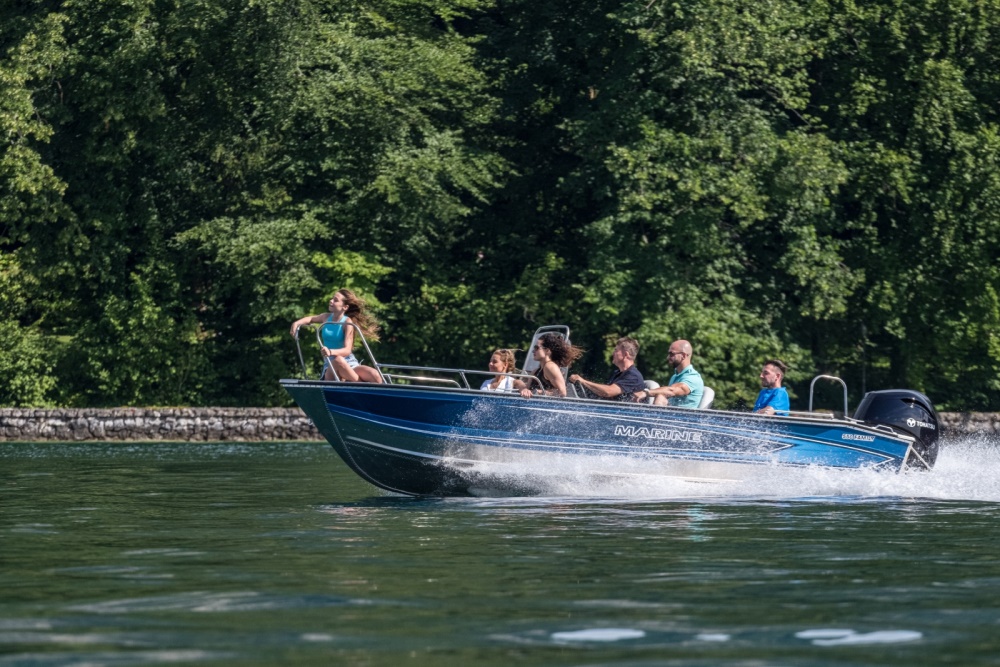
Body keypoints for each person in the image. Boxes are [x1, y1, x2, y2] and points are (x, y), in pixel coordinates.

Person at [289, 289, 383, 383]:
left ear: (345, 307)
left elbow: (347, 350)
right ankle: (361, 384)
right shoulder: (326, 317)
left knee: (375, 375)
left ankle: (363, 386)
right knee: (339, 360)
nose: (331, 301)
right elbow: (311, 319)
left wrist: (330, 351)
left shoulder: (347, 322)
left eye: (335, 300)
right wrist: (296, 323)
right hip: (331, 365)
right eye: (332, 298)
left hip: (350, 363)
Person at [569, 337, 645, 401]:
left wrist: (583, 381)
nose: (613, 353)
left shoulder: (633, 376)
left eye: (616, 350)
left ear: (625, 354)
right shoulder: (617, 373)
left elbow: (608, 392)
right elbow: (603, 392)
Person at [636, 339, 704, 408]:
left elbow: (672, 390)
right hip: (671, 414)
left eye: (672, 354)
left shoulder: (693, 378)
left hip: (684, 415)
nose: (668, 357)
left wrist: (646, 393)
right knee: (661, 396)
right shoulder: (674, 376)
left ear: (683, 355)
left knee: (660, 396)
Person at [517, 333, 583, 398]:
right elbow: (526, 389)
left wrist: (539, 392)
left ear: (547, 351)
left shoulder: (550, 367)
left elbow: (562, 392)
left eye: (536, 348)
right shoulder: (535, 371)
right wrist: (518, 383)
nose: (533, 351)